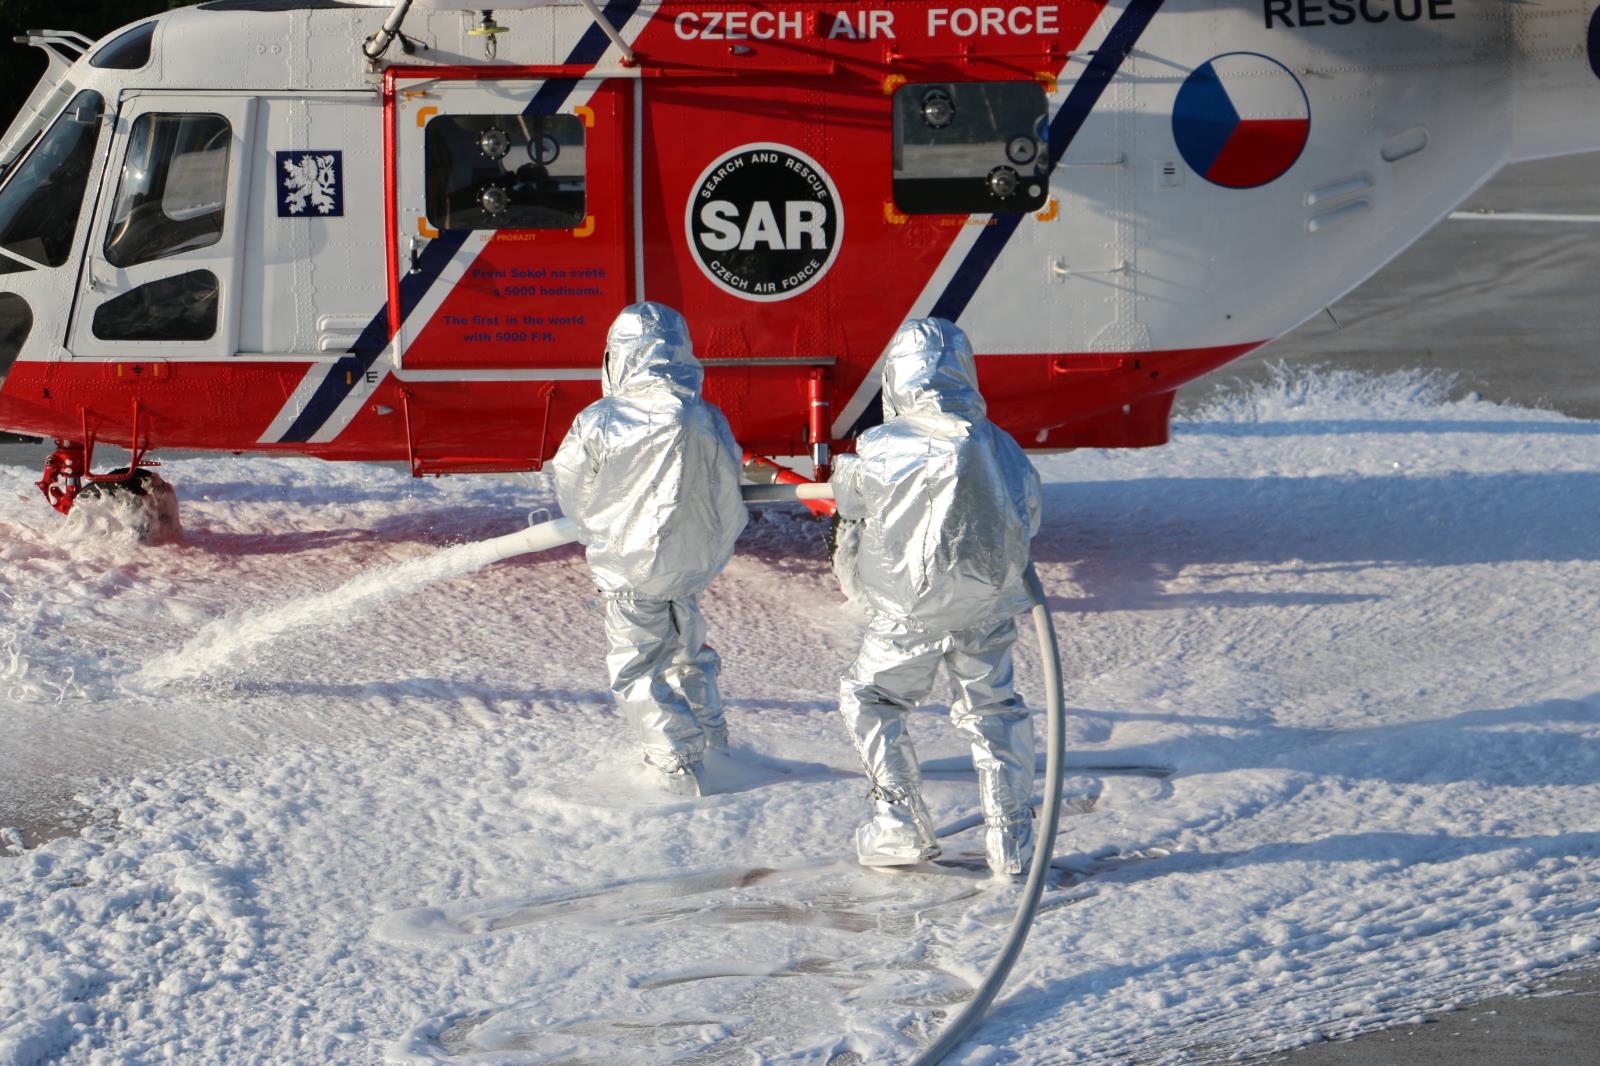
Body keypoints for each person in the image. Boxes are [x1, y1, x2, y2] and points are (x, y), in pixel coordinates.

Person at [830, 318, 1043, 879]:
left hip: (907, 616)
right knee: (993, 710)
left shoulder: (877, 446)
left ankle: (898, 825)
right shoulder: (1001, 445)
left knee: (871, 699)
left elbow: (849, 503)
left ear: (896, 378)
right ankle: (1012, 839)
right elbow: (1029, 513)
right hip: (986, 611)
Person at [552, 302, 747, 797]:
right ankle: (716, 743)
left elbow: (571, 487)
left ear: (618, 356)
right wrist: (712, 552)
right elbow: (730, 490)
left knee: (638, 665)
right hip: (690, 565)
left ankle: (675, 767)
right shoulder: (706, 418)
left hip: (628, 569)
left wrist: (598, 528)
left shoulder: (600, 420)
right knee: (688, 651)